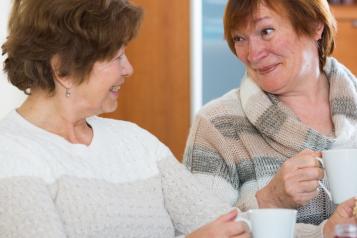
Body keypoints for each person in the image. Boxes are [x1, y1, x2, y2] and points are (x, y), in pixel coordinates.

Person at [0, 0, 251, 237]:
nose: (128, 69)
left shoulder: (136, 143)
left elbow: (225, 225)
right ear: (63, 68)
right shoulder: (11, 155)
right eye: (116, 57)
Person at [183, 0, 357, 237]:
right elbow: (199, 231)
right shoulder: (218, 124)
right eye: (239, 39)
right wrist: (270, 200)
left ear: (315, 26)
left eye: (266, 32)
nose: (253, 54)